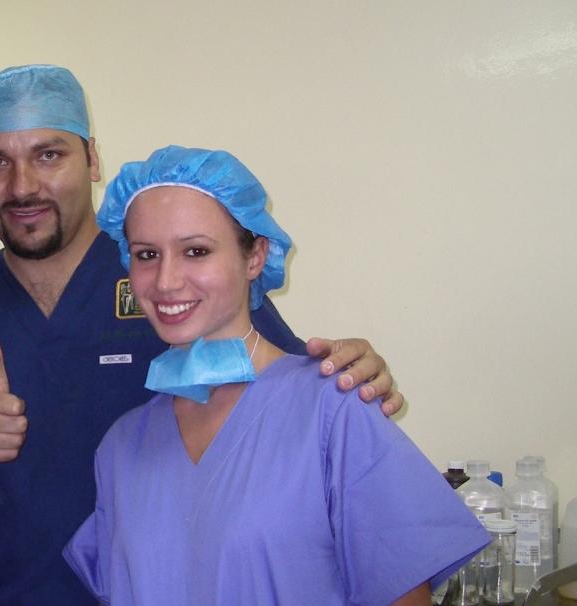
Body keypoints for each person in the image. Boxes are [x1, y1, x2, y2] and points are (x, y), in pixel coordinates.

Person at [0, 65, 404, 606]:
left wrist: (357, 373)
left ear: (92, 158)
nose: (22, 185)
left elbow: (291, 398)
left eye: (49, 154)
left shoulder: (173, 292)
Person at [63, 146, 488, 605]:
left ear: (255, 257)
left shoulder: (334, 409)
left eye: (196, 251)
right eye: (147, 254)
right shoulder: (124, 447)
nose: (166, 281)